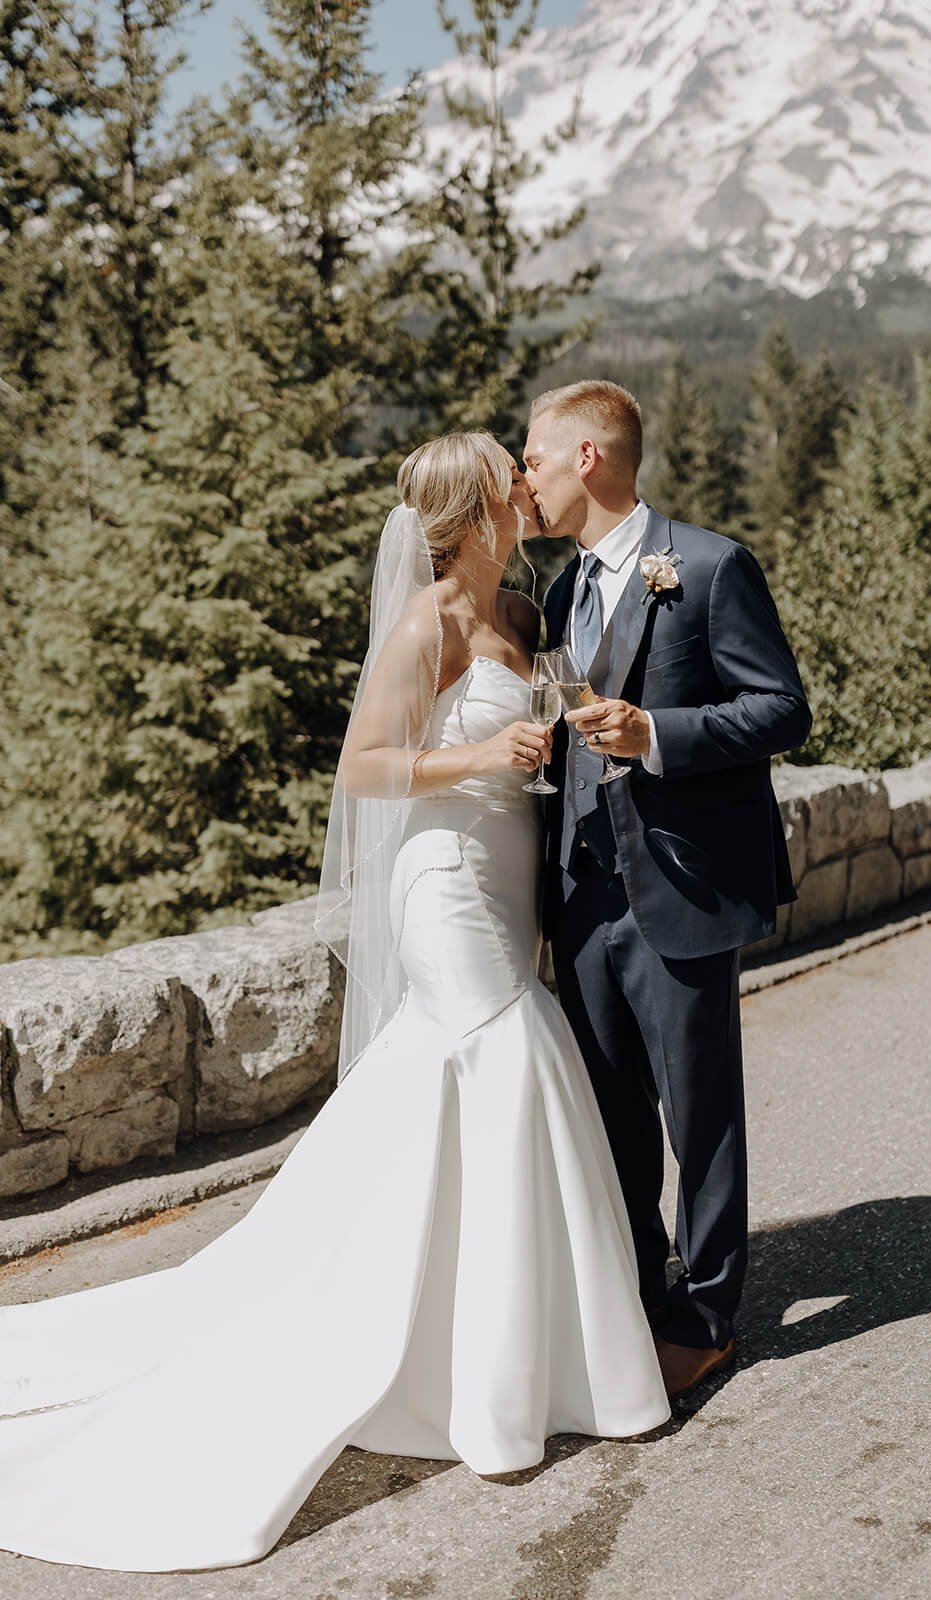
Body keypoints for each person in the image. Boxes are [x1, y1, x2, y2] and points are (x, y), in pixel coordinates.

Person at [0, 430, 670, 1575]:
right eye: (506, 479)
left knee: (471, 1080)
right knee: (504, 1056)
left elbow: (548, 719)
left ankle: (505, 1339)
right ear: (468, 514)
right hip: (445, 881)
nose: (524, 484)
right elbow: (364, 766)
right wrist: (480, 759)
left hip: (510, 874)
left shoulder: (519, 605)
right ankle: (486, 1378)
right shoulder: (427, 625)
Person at [524, 380, 811, 1398]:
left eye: (535, 460)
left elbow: (781, 709)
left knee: (701, 1116)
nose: (527, 480)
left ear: (588, 458)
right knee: (610, 1117)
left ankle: (709, 1314)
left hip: (678, 886)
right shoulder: (560, 595)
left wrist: (656, 736)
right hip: (583, 894)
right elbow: (565, 724)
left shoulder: (706, 563)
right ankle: (639, 1296)